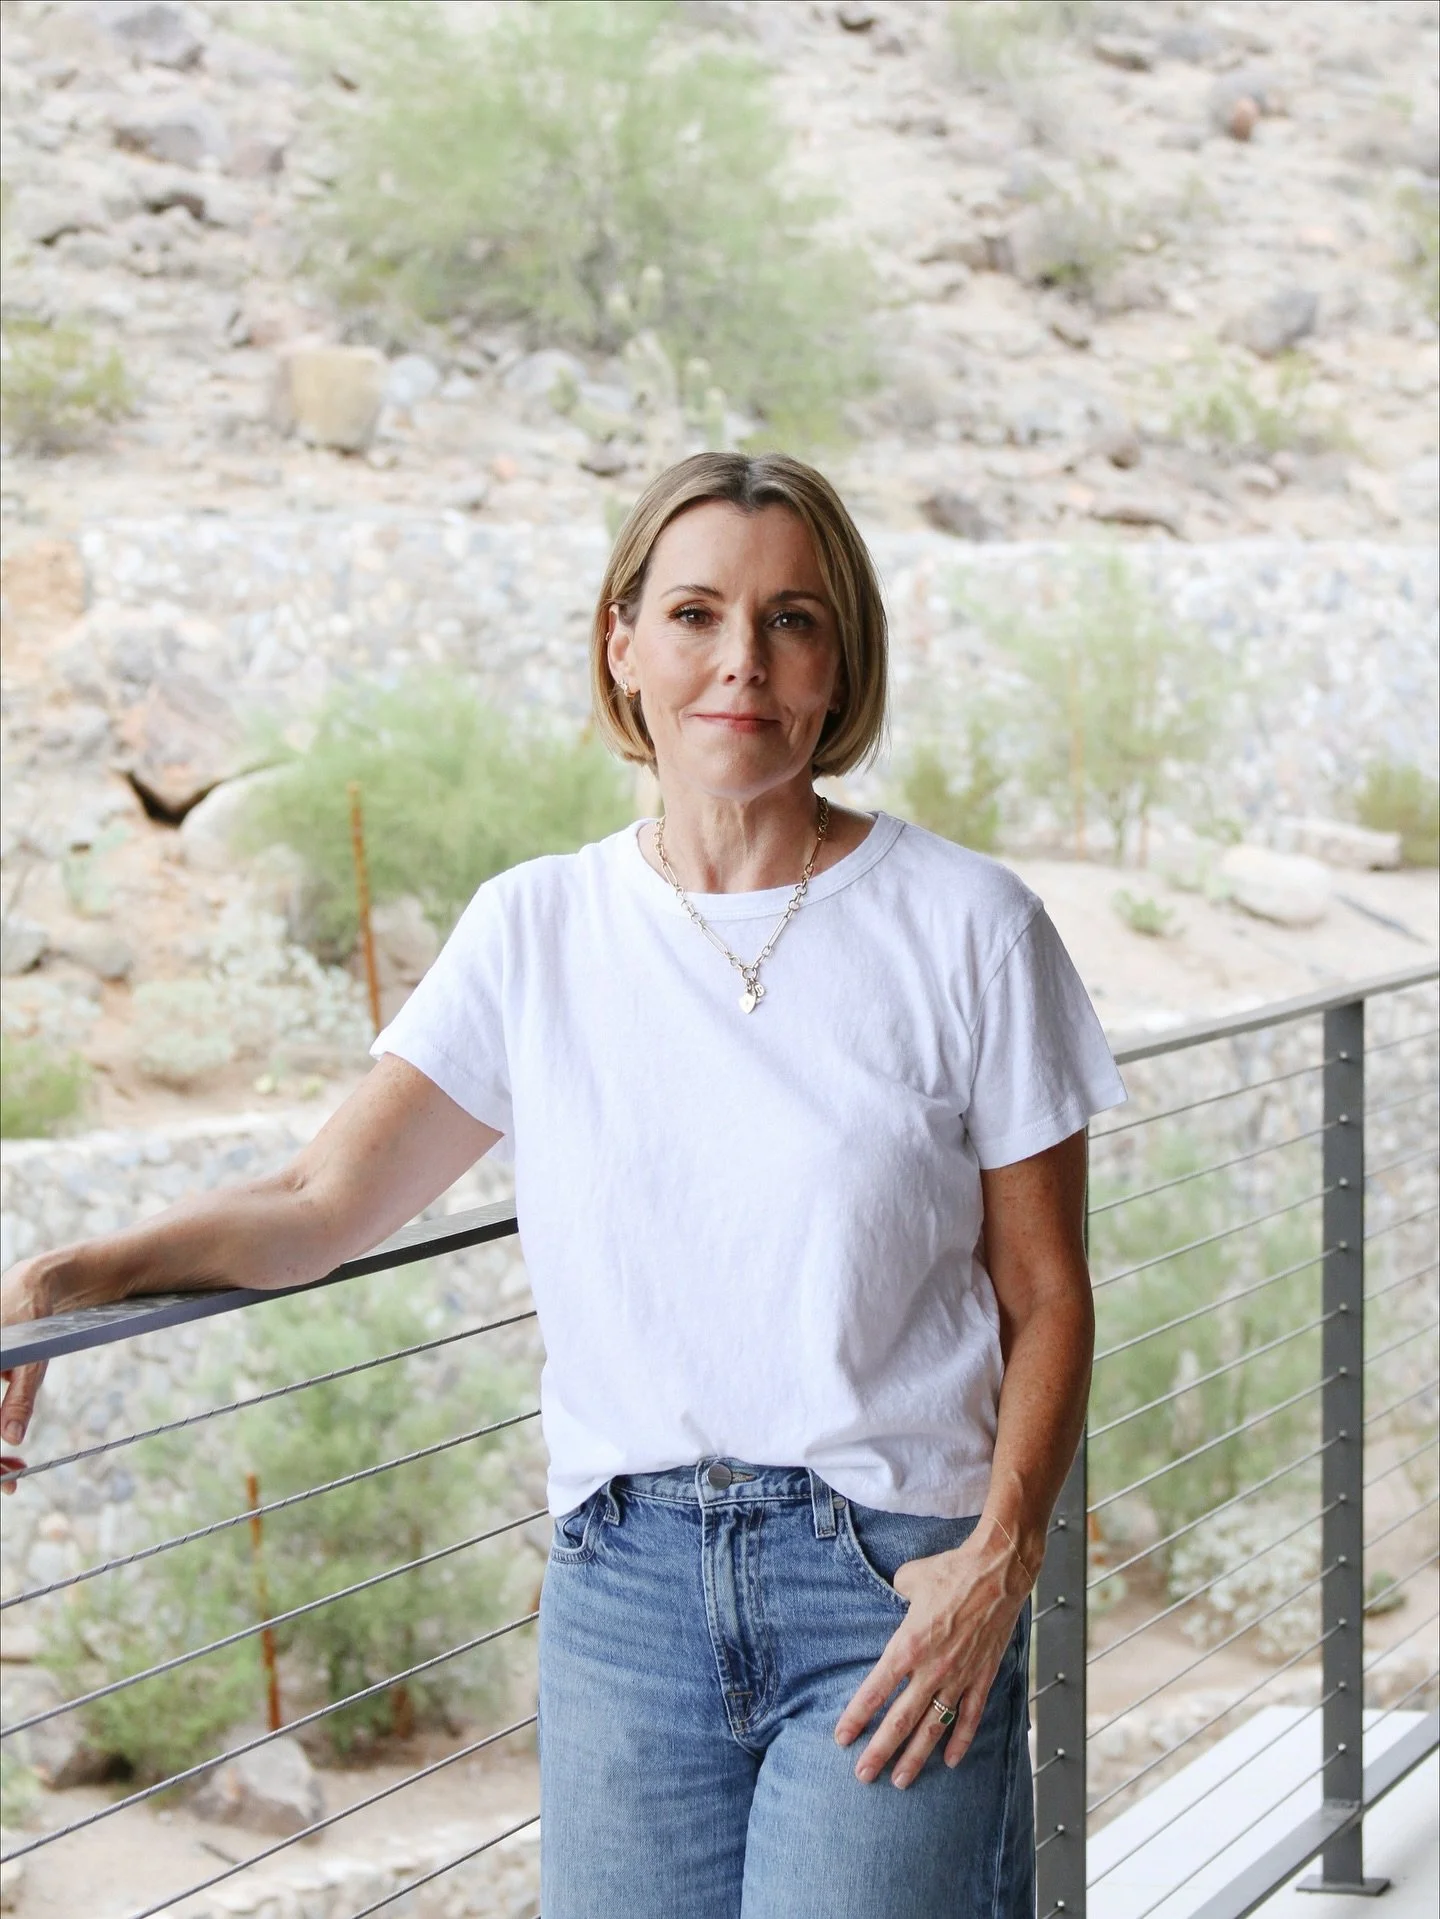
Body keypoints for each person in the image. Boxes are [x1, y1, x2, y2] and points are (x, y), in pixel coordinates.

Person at [1, 452, 1124, 1918]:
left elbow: (1046, 1291)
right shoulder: (536, 927)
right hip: (627, 1598)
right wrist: (56, 1280)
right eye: (696, 613)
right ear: (622, 642)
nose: (740, 662)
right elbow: (322, 1205)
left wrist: (1002, 1557)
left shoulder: (968, 924)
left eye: (791, 619)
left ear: (842, 657)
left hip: (891, 1584)